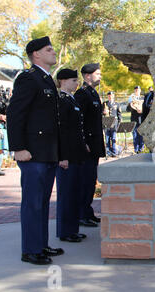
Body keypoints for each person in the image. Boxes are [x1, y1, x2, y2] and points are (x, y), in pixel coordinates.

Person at [7, 36, 65, 265]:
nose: (54, 52)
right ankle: (30, 250)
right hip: (32, 153)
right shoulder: (28, 79)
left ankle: (40, 244)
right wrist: (18, 148)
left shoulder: (46, 80)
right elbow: (15, 114)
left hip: (47, 152)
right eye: (49, 49)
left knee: (42, 203)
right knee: (32, 203)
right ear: (36, 55)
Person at [55, 69, 88, 242]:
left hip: (76, 153)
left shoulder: (71, 99)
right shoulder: (61, 101)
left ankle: (72, 229)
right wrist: (62, 156)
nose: (77, 83)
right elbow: (62, 131)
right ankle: (65, 231)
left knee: (75, 192)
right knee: (66, 194)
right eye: (74, 80)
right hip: (67, 155)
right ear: (63, 81)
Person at [75, 63, 105, 227]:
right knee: (85, 180)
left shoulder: (93, 93)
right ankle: (82, 213)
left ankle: (87, 211)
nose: (100, 76)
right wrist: (83, 142)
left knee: (90, 180)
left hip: (94, 145)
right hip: (87, 146)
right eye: (97, 73)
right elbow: (78, 121)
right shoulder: (82, 94)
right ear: (87, 76)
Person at [104, 91, 121, 157]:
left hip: (114, 123)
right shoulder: (105, 103)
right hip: (107, 123)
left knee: (114, 137)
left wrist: (119, 123)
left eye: (111, 95)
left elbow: (119, 114)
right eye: (109, 95)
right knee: (107, 138)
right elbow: (101, 113)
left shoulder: (116, 104)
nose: (110, 97)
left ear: (113, 96)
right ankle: (108, 151)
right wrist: (104, 112)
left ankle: (114, 151)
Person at [128, 86, 145, 153]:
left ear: (140, 91)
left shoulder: (143, 98)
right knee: (135, 133)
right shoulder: (131, 98)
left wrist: (141, 110)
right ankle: (136, 148)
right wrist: (135, 108)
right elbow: (129, 107)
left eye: (138, 90)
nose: (137, 91)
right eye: (136, 90)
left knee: (141, 133)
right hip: (134, 117)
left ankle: (141, 148)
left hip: (141, 117)